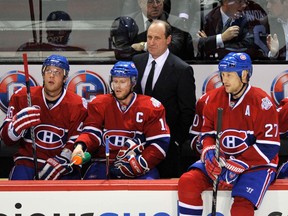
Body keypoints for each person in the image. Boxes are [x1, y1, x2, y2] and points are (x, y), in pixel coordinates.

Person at [178, 52, 280, 215]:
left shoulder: (262, 102)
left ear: (245, 75)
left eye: (229, 75)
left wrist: (241, 163)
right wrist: (209, 152)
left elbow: (270, 146)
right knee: (188, 181)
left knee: (242, 205)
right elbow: (208, 133)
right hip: (223, 160)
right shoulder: (212, 99)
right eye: (223, 74)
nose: (224, 80)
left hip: (256, 164)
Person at [71, 61, 170, 179]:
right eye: (115, 81)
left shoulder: (151, 107)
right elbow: (92, 133)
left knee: (148, 185)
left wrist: (139, 164)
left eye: (123, 82)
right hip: (104, 162)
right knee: (91, 184)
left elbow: (159, 144)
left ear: (133, 83)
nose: (118, 86)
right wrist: (80, 146)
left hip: (136, 161)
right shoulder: (100, 104)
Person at [0, 54, 88, 180]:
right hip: (28, 160)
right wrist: (15, 127)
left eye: (57, 72)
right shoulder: (22, 97)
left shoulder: (77, 104)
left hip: (62, 163)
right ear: (43, 74)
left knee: (70, 189)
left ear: (65, 78)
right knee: (18, 188)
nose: (51, 75)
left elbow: (77, 139)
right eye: (48, 70)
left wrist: (63, 159)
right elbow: (6, 139)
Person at [132, 20, 196, 178]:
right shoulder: (136, 62)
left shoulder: (182, 69)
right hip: (136, 143)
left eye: (157, 38)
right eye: (149, 37)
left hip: (167, 146)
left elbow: (188, 110)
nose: (151, 42)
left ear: (168, 40)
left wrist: (175, 141)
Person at [197, 0, 268, 60]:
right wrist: (221, 38)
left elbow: (246, 49)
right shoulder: (205, 18)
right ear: (225, 2)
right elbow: (195, 44)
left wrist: (212, 44)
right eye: (239, 1)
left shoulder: (246, 20)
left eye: (245, 2)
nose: (244, 5)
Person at [128, 0, 194, 60]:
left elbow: (173, 48)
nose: (155, 5)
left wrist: (143, 46)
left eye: (158, 1)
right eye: (150, 2)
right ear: (140, 3)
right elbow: (122, 50)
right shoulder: (129, 22)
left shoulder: (175, 22)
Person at [17, 11, 87, 53]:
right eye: (50, 28)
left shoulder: (77, 51)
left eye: (57, 29)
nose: (51, 32)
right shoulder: (34, 47)